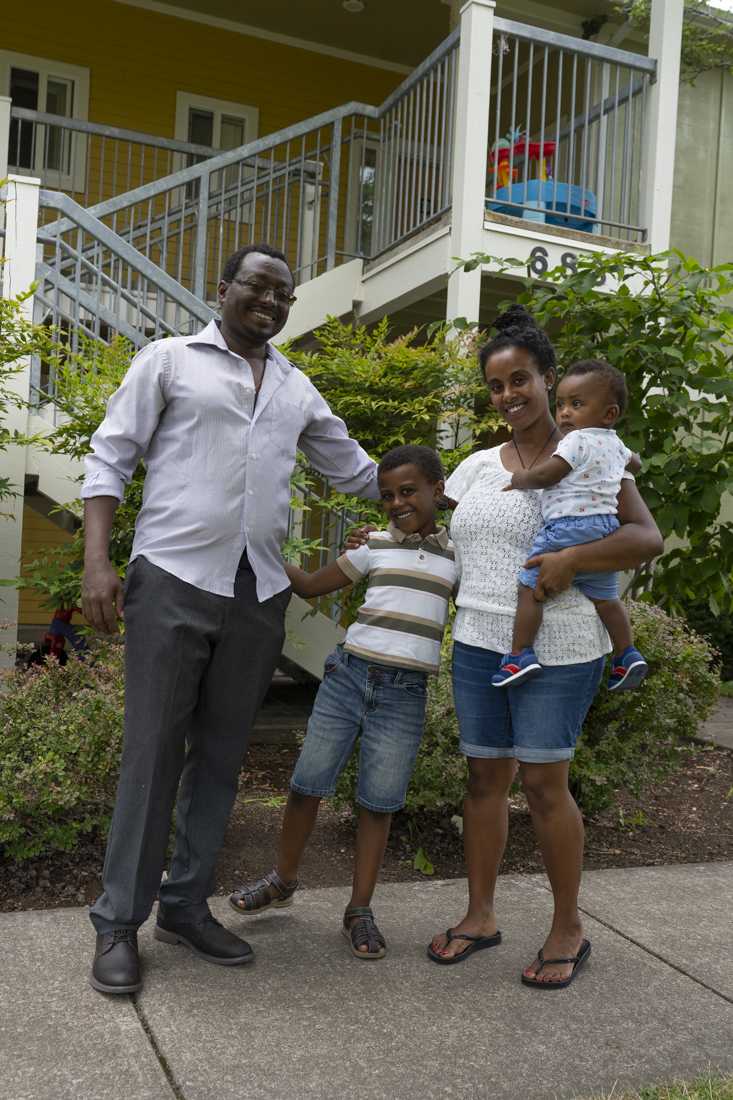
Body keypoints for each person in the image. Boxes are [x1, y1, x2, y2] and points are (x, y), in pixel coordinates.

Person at [82, 243, 380, 995]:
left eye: (285, 293)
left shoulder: (295, 387)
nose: (273, 301)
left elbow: (358, 472)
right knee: (152, 754)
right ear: (223, 289)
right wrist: (97, 561)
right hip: (173, 579)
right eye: (258, 286)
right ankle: (119, 921)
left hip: (257, 592)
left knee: (220, 757)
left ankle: (183, 905)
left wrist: (481, 481)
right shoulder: (170, 360)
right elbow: (111, 456)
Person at [427, 305, 662, 986]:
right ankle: (480, 916)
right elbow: (451, 543)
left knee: (542, 783)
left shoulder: (587, 451)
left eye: (519, 380)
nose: (507, 397)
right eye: (495, 386)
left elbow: (643, 539)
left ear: (548, 378)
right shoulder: (473, 468)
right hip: (478, 642)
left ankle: (568, 928)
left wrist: (573, 561)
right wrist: (384, 547)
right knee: (483, 781)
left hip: (559, 645)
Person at [228, 445, 458, 960]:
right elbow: (310, 586)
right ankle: (283, 878)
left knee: (378, 804)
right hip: (347, 678)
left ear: (437, 491)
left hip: (404, 694)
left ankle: (359, 909)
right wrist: (263, 549)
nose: (397, 503)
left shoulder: (457, 553)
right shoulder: (373, 545)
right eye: (387, 496)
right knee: (306, 784)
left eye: (408, 492)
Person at [491, 358, 648, 692]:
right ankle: (627, 654)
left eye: (576, 405)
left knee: (529, 588)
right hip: (604, 529)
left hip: (567, 528)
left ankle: (520, 654)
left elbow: (549, 474)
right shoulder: (615, 443)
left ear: (609, 414)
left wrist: (521, 479)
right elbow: (636, 461)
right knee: (607, 599)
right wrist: (629, 461)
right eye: (561, 404)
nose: (564, 414)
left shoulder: (575, 441)